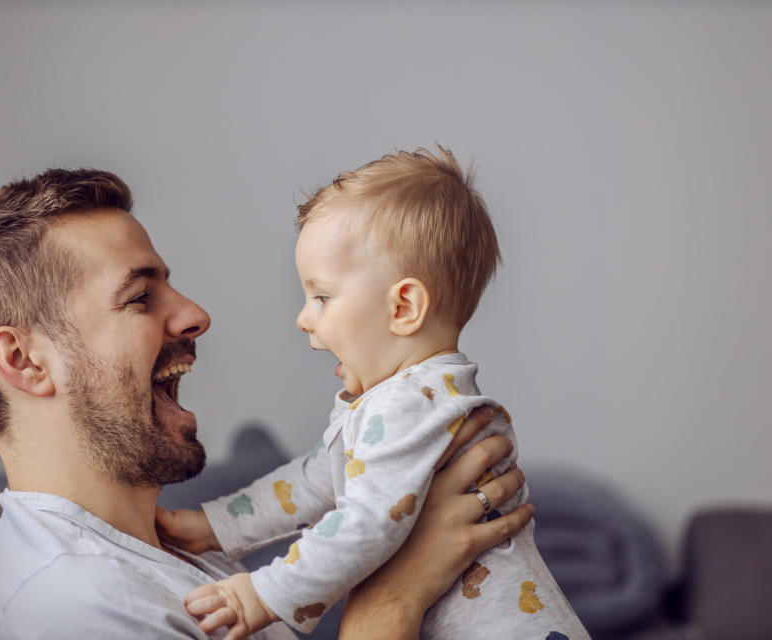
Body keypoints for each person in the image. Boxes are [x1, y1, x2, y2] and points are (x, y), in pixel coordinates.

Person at [0, 168, 534, 639]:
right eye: (139, 298)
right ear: (24, 361)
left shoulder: (164, 553)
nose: (196, 315)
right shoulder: (70, 607)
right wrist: (395, 595)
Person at [158, 147, 588, 639]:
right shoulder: (400, 401)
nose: (303, 319)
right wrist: (213, 526)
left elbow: (365, 528)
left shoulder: (412, 404)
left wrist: (263, 594)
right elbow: (310, 482)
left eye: (321, 297)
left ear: (403, 306)